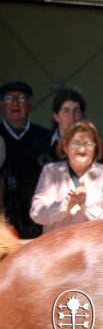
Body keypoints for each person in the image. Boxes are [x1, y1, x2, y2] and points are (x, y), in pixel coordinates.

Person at [29, 120, 103, 233]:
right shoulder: (51, 171)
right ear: (66, 147)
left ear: (96, 148)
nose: (82, 149)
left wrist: (84, 204)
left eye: (88, 144)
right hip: (57, 248)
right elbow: (36, 214)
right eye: (76, 143)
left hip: (92, 249)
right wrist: (65, 205)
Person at [0, 81, 51, 238]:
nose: (15, 103)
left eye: (21, 98)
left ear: (30, 103)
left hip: (37, 218)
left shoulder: (45, 137)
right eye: (8, 98)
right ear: (1, 104)